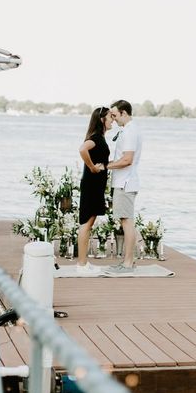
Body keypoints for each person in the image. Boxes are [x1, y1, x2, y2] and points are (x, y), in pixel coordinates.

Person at [104, 99, 142, 276]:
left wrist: (105, 166)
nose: (113, 118)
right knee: (126, 221)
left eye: (115, 115)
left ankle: (128, 263)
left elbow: (127, 160)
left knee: (127, 222)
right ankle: (128, 262)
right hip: (123, 182)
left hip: (125, 183)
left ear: (124, 113)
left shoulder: (130, 132)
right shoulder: (127, 130)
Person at [76, 106, 112, 275]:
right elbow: (82, 149)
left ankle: (84, 263)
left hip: (96, 186)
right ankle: (81, 265)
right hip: (91, 185)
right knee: (86, 224)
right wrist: (92, 167)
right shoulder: (96, 137)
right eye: (110, 117)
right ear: (102, 120)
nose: (112, 120)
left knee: (88, 224)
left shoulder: (101, 138)